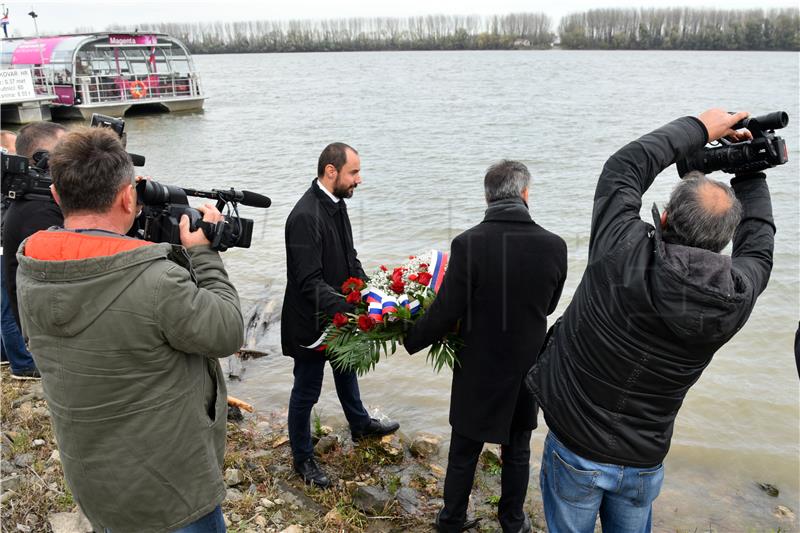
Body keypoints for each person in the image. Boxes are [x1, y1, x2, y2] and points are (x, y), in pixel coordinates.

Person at [526, 109, 774, 532]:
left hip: (575, 442)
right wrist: (750, 174)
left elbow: (625, 167)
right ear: (725, 244)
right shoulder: (736, 296)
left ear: (662, 219)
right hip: (644, 456)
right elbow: (760, 244)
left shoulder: (620, 247)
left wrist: (698, 127)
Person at [15, 127, 244, 532]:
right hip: (171, 495)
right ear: (127, 197)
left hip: (95, 482)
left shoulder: (32, 266)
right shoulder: (156, 282)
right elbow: (226, 331)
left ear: (56, 196)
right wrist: (204, 257)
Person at [404, 160, 567, 533]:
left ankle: (451, 521)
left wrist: (411, 337)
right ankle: (512, 521)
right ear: (526, 194)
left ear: (487, 196)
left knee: (464, 451)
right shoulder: (555, 246)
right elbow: (550, 305)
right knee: (517, 450)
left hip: (478, 365)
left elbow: (447, 310)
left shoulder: (468, 243)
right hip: (526, 364)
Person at [281, 142, 399, 488]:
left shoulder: (336, 203)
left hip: (337, 314)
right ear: (330, 172)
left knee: (347, 369)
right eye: (354, 172)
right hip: (310, 323)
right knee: (306, 390)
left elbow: (350, 259)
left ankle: (360, 425)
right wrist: (351, 308)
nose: (359, 179)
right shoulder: (304, 217)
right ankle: (302, 459)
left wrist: (372, 292)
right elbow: (308, 282)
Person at [3, 122, 66, 330]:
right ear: (44, 159)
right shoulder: (39, 210)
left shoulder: (33, 201)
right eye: (67, 152)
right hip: (51, 338)